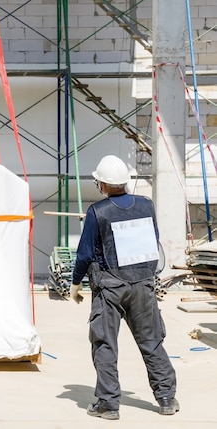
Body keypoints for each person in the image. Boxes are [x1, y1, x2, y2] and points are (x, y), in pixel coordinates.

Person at [70, 155, 178, 420]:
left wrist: (75, 283)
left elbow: (84, 254)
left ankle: (108, 404)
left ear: (102, 184)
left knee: (105, 344)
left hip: (109, 289)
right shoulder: (146, 205)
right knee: (152, 342)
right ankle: (166, 398)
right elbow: (153, 240)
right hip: (142, 285)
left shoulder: (98, 212)